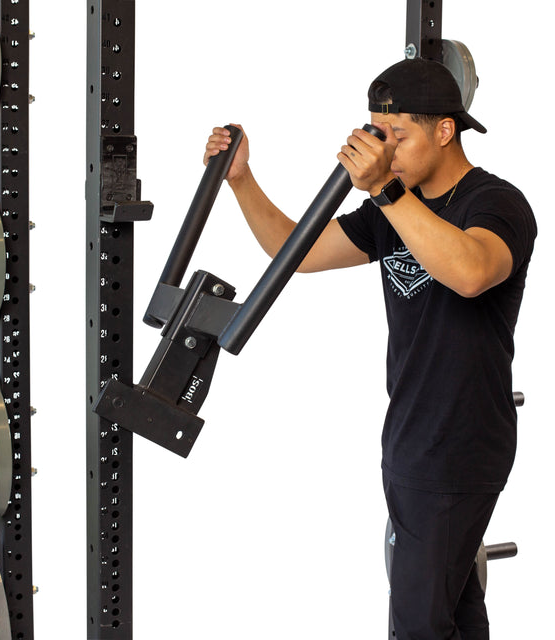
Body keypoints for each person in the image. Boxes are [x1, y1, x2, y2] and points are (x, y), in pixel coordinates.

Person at [203, 57, 537, 639]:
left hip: (458, 446)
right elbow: (296, 253)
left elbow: (470, 270)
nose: (386, 150)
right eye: (379, 134)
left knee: (417, 628)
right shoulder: (394, 206)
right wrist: (241, 180)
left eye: (399, 135)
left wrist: (384, 189)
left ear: (444, 130)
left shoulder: (495, 202)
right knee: (453, 613)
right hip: (410, 440)